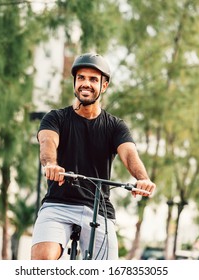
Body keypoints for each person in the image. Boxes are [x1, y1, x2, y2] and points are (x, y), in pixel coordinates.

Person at [31, 53, 156, 260]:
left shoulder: (115, 126)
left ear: (104, 86)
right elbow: (47, 143)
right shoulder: (55, 118)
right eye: (81, 78)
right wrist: (51, 165)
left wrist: (142, 178)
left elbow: (129, 154)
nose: (85, 84)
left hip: (98, 208)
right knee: (42, 260)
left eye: (93, 79)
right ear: (74, 82)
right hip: (58, 204)